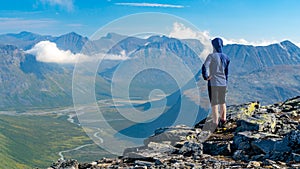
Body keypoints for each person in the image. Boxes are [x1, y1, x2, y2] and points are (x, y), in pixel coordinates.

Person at [202, 37, 230, 128]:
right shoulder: (226, 57)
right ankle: (223, 120)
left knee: (214, 103)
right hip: (223, 83)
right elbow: (226, 72)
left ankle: (215, 123)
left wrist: (206, 77)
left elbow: (204, 67)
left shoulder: (211, 56)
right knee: (222, 102)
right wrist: (225, 81)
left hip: (213, 83)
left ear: (213, 46)